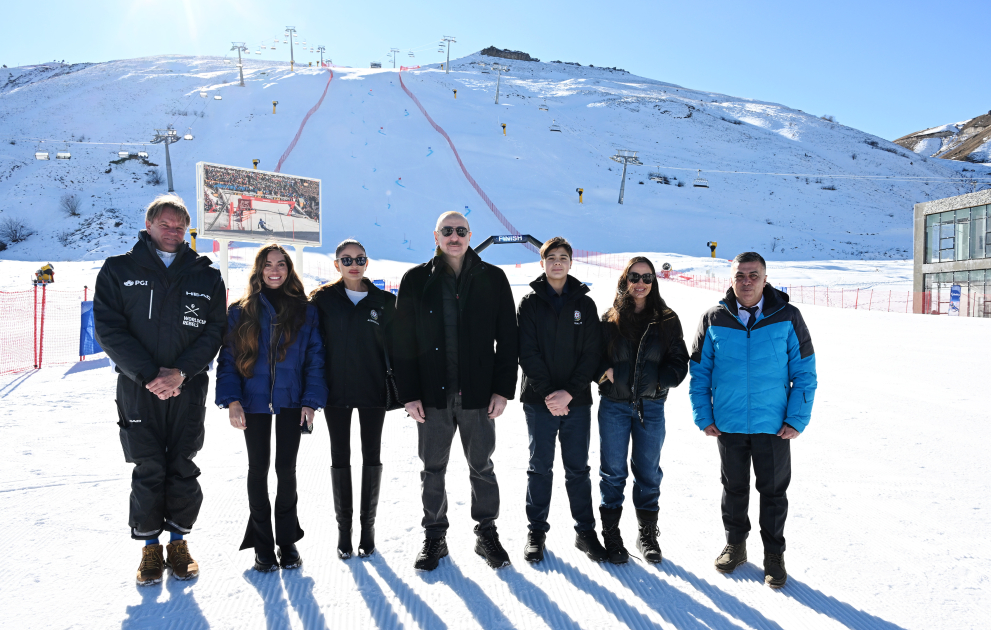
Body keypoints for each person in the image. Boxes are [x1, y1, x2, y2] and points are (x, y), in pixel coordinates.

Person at [94, 194, 226, 586]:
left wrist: (180, 374)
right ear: (149, 225)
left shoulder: (207, 275)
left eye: (179, 226)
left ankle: (179, 542)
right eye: (165, 225)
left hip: (188, 388)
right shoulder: (119, 270)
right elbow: (109, 329)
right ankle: (150, 549)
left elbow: (214, 331)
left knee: (183, 463)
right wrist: (151, 375)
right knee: (149, 465)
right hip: (138, 388)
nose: (172, 232)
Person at [393, 211, 519, 571]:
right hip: (432, 394)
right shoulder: (416, 279)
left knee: (482, 465)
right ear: (435, 235)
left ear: (470, 234)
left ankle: (486, 533)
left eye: (461, 231)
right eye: (447, 231)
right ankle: (435, 536)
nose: (454, 236)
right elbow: (401, 342)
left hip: (477, 394)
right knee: (433, 468)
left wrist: (502, 389)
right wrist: (409, 393)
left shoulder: (492, 278)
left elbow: (508, 340)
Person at [688, 251, 817, 588]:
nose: (747, 281)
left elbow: (805, 372)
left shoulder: (788, 316)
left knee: (773, 492)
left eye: (753, 275)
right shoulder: (714, 318)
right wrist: (704, 415)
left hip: (773, 425)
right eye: (740, 275)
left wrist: (796, 419)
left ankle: (773, 555)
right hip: (727, 423)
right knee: (733, 488)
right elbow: (699, 373)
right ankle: (736, 544)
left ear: (765, 277)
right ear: (730, 279)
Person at [215, 244, 327, 572]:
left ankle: (287, 541)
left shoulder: (306, 310)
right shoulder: (240, 311)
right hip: (253, 402)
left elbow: (316, 358)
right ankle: (263, 546)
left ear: (289, 269)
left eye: (281, 264)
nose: (274, 270)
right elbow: (228, 360)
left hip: (292, 401)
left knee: (286, 471)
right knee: (258, 470)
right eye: (268, 265)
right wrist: (233, 400)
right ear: (259, 270)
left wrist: (310, 402)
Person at [517, 237, 609, 564]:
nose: (557, 263)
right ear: (542, 263)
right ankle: (536, 532)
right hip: (538, 401)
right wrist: (548, 394)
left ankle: (585, 532)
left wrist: (569, 392)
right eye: (551, 257)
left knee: (577, 469)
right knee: (539, 467)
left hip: (577, 401)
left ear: (571, 263)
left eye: (563, 258)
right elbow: (526, 353)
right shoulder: (529, 303)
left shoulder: (584, 304)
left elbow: (591, 354)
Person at [596, 256, 689, 564]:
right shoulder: (609, 318)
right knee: (613, 472)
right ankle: (611, 534)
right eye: (635, 277)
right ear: (625, 280)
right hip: (614, 406)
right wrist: (601, 372)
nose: (641, 283)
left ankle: (647, 534)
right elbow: (591, 355)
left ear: (654, 281)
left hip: (651, 406)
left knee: (648, 472)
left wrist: (662, 380)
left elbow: (679, 359)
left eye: (647, 278)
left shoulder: (666, 318)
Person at [310, 239, 397, 560]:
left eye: (359, 258)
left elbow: (400, 349)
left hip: (373, 390)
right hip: (335, 392)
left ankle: (368, 530)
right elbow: (310, 346)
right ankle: (344, 532)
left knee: (371, 457)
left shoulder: (384, 301)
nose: (353, 264)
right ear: (336, 265)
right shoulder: (322, 300)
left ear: (367, 261)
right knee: (340, 458)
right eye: (346, 260)